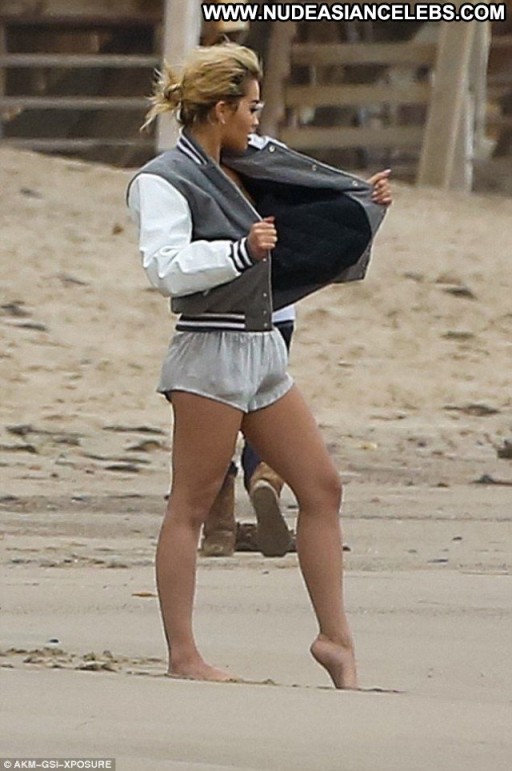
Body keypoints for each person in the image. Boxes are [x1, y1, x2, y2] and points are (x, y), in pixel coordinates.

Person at [128, 42, 391, 688]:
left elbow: (309, 199)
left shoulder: (251, 161)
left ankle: (334, 639)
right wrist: (239, 252)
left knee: (322, 487)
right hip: (209, 352)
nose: (257, 118)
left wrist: (361, 201)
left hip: (264, 348)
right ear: (221, 109)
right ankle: (184, 655)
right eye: (250, 107)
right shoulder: (162, 179)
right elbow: (165, 269)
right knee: (190, 506)